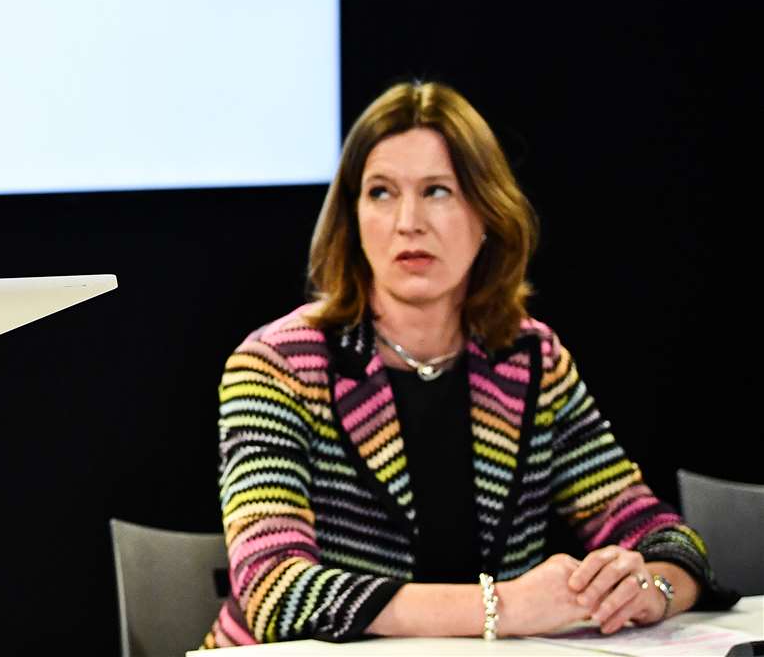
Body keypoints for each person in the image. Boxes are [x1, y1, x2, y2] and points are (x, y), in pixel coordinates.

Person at [203, 82, 734, 646]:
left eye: (438, 191)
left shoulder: (531, 359)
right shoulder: (278, 364)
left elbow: (654, 530)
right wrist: (502, 607)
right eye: (381, 193)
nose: (408, 221)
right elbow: (273, 589)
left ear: (487, 214)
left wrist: (653, 586)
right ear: (352, 218)